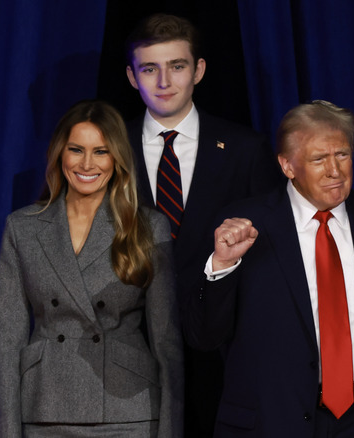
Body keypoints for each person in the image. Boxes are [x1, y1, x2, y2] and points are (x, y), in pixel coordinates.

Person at [183, 100, 354, 437]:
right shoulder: (245, 226)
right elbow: (203, 336)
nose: (335, 170)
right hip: (271, 424)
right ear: (287, 165)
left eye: (342, 155)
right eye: (319, 159)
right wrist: (222, 265)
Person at [124, 13, 281, 437]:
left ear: (199, 70)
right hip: (127, 357)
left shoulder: (246, 149)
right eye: (149, 69)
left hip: (223, 354)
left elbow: (271, 255)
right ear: (132, 77)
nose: (163, 81)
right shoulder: (107, 149)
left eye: (176, 66)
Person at [0, 100, 183, 437]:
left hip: (129, 411)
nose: (86, 163)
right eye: (76, 150)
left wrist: (169, 430)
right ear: (59, 155)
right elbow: (7, 343)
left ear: (117, 159)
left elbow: (167, 342)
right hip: (45, 407)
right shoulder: (22, 228)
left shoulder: (147, 227)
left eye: (101, 152)